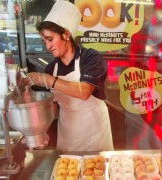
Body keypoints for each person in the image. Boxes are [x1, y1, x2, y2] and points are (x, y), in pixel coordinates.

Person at [24, 1, 114, 151]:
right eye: (44, 41)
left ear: (66, 34)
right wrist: (41, 131)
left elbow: (84, 92)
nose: (47, 46)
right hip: (69, 132)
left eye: (50, 39)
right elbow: (50, 105)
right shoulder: (52, 68)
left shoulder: (90, 58)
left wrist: (46, 79)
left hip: (95, 132)